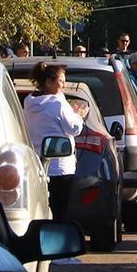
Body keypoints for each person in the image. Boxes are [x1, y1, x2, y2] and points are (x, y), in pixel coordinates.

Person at [23, 62, 85, 221]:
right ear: (49, 82)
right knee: (60, 211)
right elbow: (74, 128)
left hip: (38, 165)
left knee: (41, 209)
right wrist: (78, 115)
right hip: (60, 167)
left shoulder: (29, 102)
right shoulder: (58, 103)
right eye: (61, 81)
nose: (64, 85)